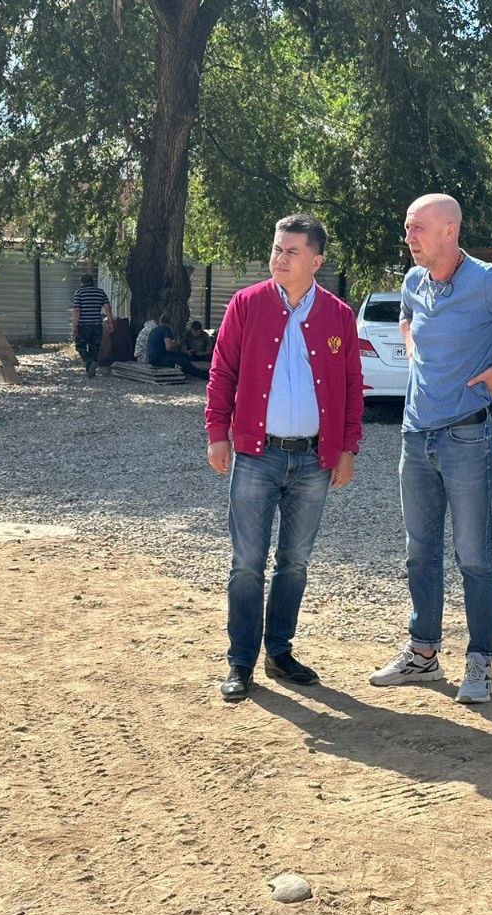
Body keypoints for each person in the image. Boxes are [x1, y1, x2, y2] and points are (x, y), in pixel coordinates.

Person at [368, 193, 492, 704]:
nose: (409, 237)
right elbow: (408, 313)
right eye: (407, 228)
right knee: (420, 552)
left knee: (474, 557)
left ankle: (480, 662)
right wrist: (410, 338)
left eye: (418, 228)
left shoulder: (487, 282)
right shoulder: (415, 280)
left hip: (467, 437)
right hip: (416, 438)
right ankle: (423, 656)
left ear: (449, 231)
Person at [204, 213, 363, 702]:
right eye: (276, 249)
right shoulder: (246, 305)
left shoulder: (338, 315)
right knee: (247, 562)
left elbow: (353, 386)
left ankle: (280, 651)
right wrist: (217, 432)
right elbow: (222, 371)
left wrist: (346, 447)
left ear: (316, 260)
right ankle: (240, 661)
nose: (279, 258)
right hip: (256, 454)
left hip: (314, 461)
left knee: (293, 562)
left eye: (291, 252)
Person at [71, 272, 114, 378]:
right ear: (92, 282)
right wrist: (110, 323)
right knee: (94, 347)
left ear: (82, 282)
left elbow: (76, 310)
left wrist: (75, 325)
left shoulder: (79, 293)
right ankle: (91, 369)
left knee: (80, 346)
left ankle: (88, 361)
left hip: (84, 325)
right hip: (97, 325)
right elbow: (107, 307)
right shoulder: (100, 292)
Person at [145, 313, 209, 381]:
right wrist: (177, 343)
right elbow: (169, 347)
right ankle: (204, 375)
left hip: (153, 358)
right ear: (171, 322)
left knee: (183, 356)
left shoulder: (155, 329)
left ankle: (202, 372)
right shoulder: (166, 329)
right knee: (183, 362)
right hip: (159, 359)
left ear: (160, 321)